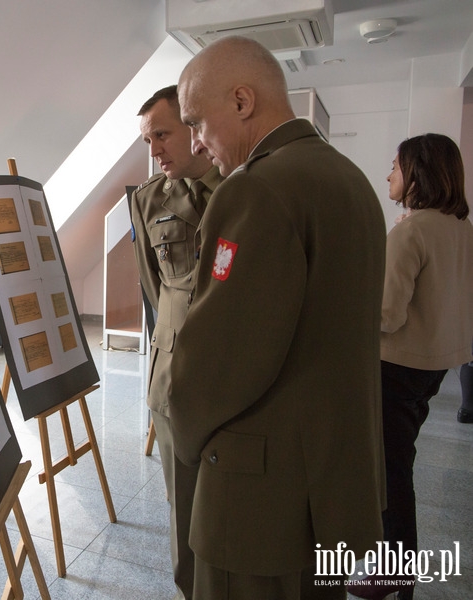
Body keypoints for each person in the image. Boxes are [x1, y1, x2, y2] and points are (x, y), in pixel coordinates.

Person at [171, 36, 387, 599]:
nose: (199, 142)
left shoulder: (258, 189)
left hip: (259, 500)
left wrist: (181, 426)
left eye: (197, 122)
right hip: (329, 486)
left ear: (242, 102)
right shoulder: (352, 181)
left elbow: (219, 360)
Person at [349, 134, 473, 600]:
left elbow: (386, 315)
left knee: (390, 472)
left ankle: (395, 570)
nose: (388, 175)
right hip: (435, 367)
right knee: (400, 462)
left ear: (417, 173)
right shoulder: (460, 227)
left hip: (396, 366)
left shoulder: (410, 231)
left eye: (395, 167)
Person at [130, 85, 222, 600]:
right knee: (181, 505)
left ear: (193, 128)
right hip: (175, 383)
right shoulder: (150, 201)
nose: (155, 150)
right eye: (148, 139)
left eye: (162, 134)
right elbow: (155, 288)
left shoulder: (243, 188)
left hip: (237, 381)